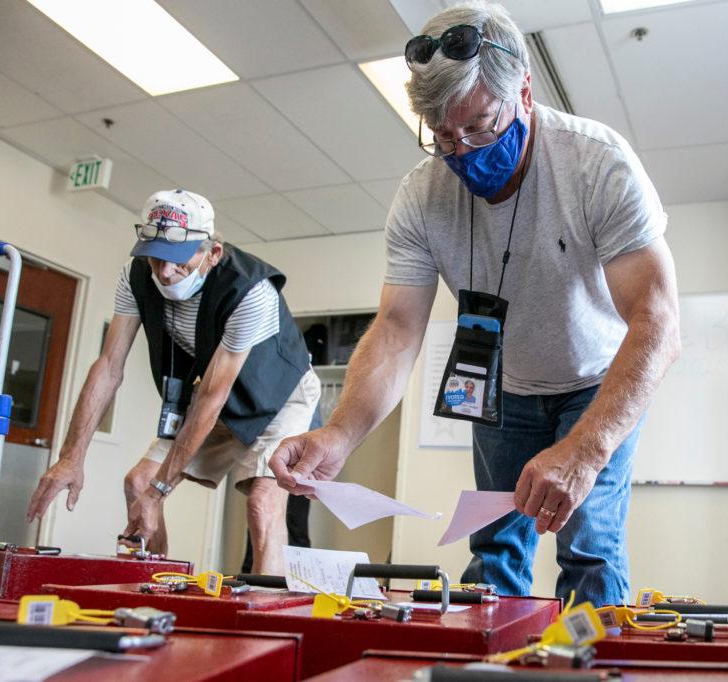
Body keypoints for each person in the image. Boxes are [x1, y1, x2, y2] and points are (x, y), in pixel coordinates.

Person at [271, 1, 680, 606]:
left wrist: (586, 450)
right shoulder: (421, 195)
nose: (462, 152)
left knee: (589, 543)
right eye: (443, 136)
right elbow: (395, 330)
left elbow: (657, 322)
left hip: (596, 381)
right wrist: (337, 434)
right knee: (494, 547)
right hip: (504, 388)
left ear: (525, 91)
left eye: (482, 126)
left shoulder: (596, 164)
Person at [27, 189, 319, 574]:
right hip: (220, 396)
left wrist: (161, 489)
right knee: (138, 482)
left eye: (179, 259)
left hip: (282, 398)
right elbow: (109, 365)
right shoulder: (135, 278)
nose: (164, 272)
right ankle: (162, 585)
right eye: (156, 256)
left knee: (262, 502)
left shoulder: (250, 290)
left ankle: (263, 621)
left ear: (212, 253)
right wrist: (70, 457)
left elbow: (213, 394)